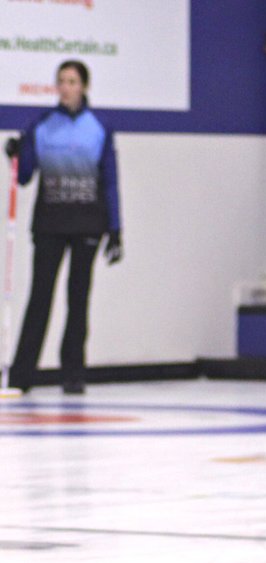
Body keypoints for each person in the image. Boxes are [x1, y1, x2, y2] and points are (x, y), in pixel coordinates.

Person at [4, 60, 122, 394]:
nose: (66, 87)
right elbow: (25, 176)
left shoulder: (99, 126)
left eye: (72, 81)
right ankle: (22, 374)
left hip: (87, 221)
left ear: (84, 86)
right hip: (50, 223)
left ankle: (73, 372)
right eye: (61, 81)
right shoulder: (42, 125)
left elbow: (110, 179)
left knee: (78, 298)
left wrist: (116, 228)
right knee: (40, 297)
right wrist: (15, 153)